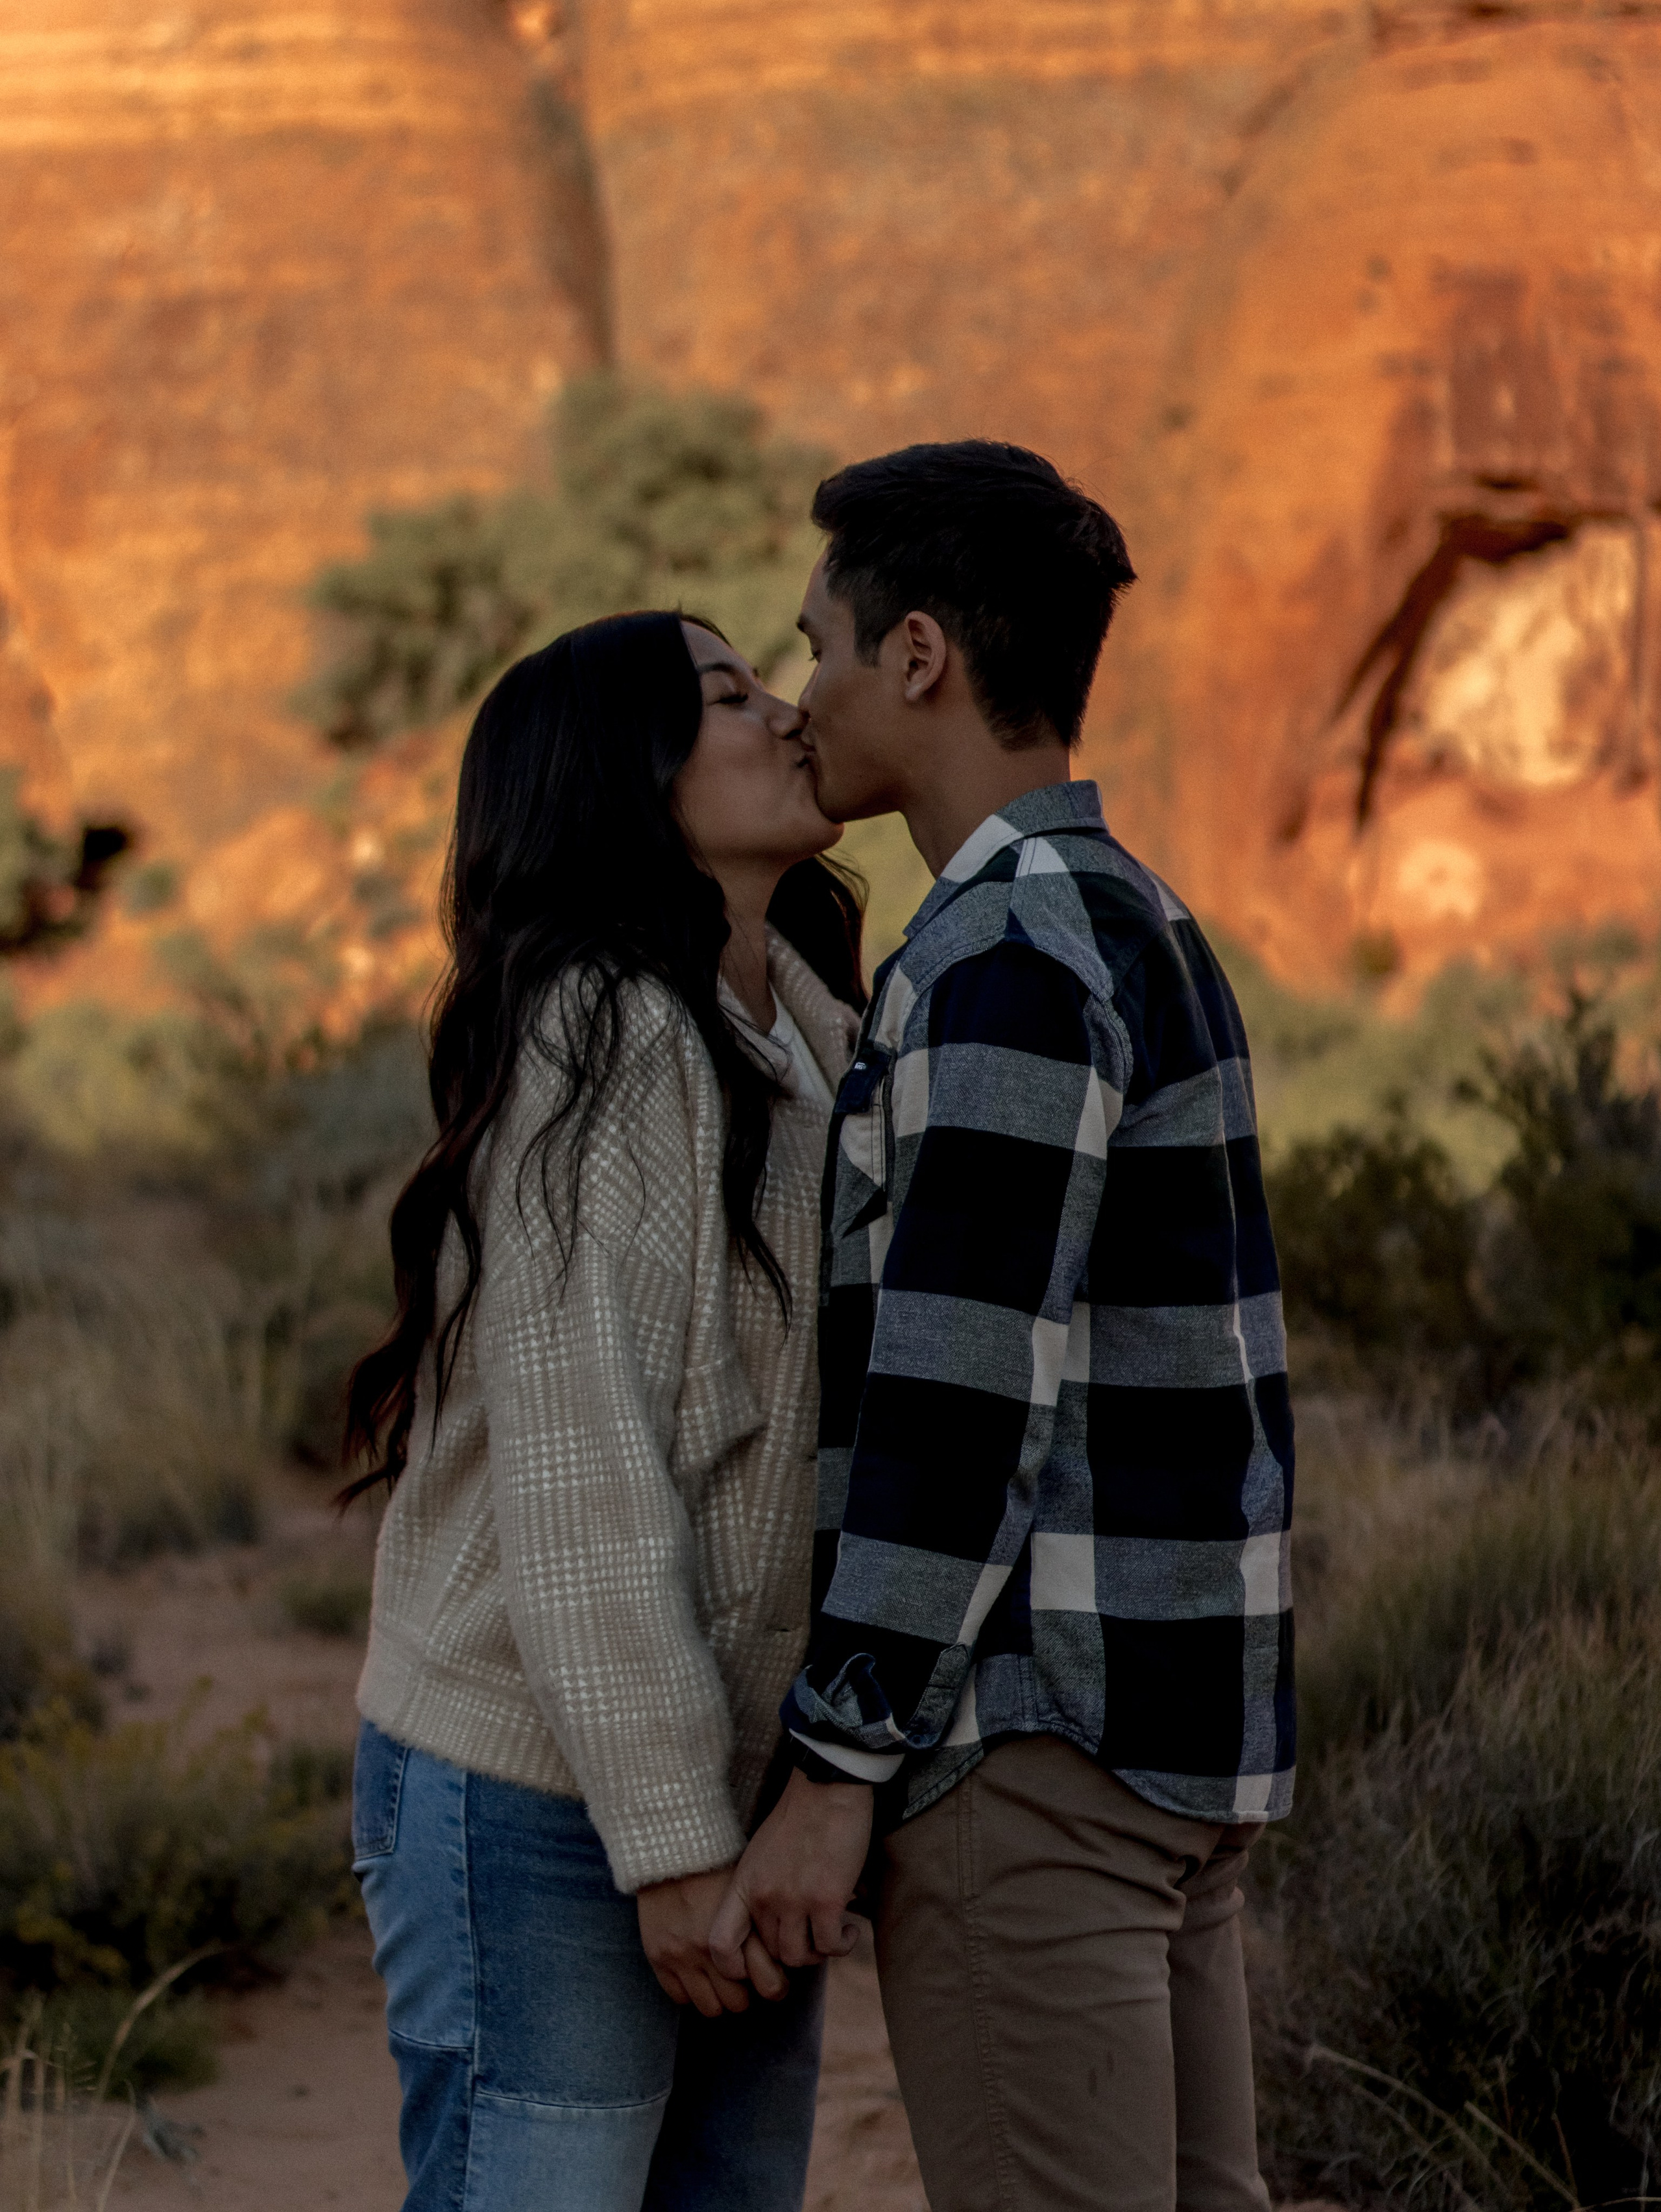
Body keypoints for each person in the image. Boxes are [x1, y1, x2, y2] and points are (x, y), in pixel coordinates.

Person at [711, 443, 1296, 2212]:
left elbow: (963, 1395)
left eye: (813, 642)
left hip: (1034, 1753)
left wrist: (837, 1758)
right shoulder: (1137, 914)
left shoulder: (1002, 954)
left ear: (915, 658)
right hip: (1178, 1739)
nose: (796, 689)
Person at [343, 610, 863, 2212]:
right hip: (544, 1792)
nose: (786, 715)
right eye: (727, 696)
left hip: (728, 1786)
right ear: (619, 780)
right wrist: (673, 1844)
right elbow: (582, 1488)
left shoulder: (813, 1034)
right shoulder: (599, 1032)